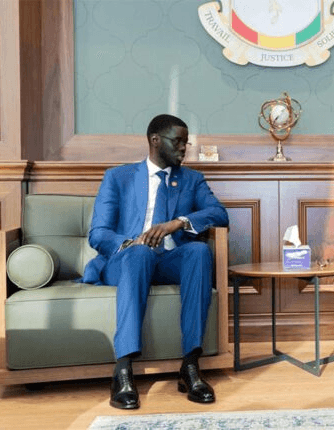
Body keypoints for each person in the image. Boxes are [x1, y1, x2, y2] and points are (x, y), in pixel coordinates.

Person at [80, 114, 229, 409]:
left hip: (168, 259)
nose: (184, 148)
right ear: (155, 140)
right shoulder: (118, 177)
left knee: (199, 252)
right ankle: (123, 370)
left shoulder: (191, 179)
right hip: (127, 260)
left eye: (186, 142)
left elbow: (219, 213)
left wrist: (178, 223)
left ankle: (190, 366)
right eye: (178, 141)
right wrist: (131, 243)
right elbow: (98, 233)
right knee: (140, 254)